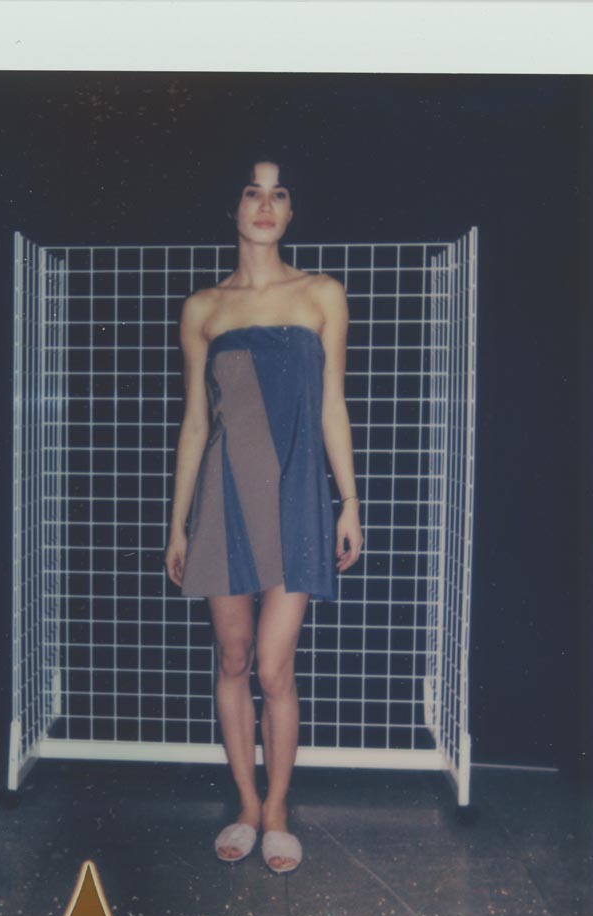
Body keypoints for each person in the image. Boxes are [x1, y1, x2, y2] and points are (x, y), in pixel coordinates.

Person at [165, 159, 363, 874]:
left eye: (279, 192)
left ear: (291, 210)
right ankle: (246, 805)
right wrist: (177, 523)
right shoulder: (203, 309)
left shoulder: (321, 295)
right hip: (223, 500)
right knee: (234, 658)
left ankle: (278, 809)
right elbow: (196, 423)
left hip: (297, 497)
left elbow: (333, 405)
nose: (266, 203)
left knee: (276, 668)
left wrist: (350, 501)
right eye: (253, 190)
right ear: (234, 206)